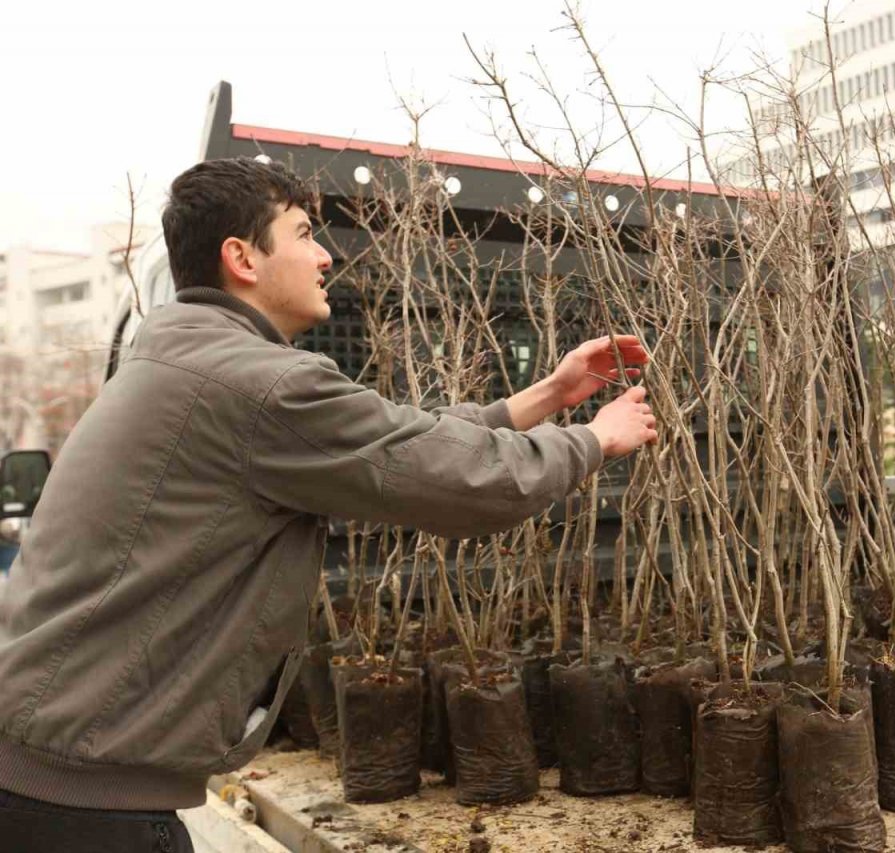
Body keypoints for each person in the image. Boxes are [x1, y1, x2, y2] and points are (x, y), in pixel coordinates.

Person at [0, 157, 658, 851]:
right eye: (305, 232)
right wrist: (592, 439)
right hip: (87, 813)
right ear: (242, 258)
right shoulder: (255, 384)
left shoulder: (184, 359)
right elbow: (461, 479)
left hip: (49, 783)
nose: (324, 255)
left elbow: (395, 437)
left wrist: (545, 398)